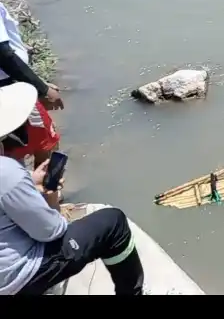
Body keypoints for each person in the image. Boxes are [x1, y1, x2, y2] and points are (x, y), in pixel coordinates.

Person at [0, 83, 144, 296]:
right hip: (14, 279)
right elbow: (52, 231)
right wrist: (50, 196)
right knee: (114, 223)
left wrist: (28, 182)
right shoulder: (7, 171)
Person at [0, 0, 65, 169]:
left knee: (11, 149)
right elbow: (3, 55)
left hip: (12, 82)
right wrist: (42, 89)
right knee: (46, 142)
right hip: (7, 89)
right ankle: (46, 197)